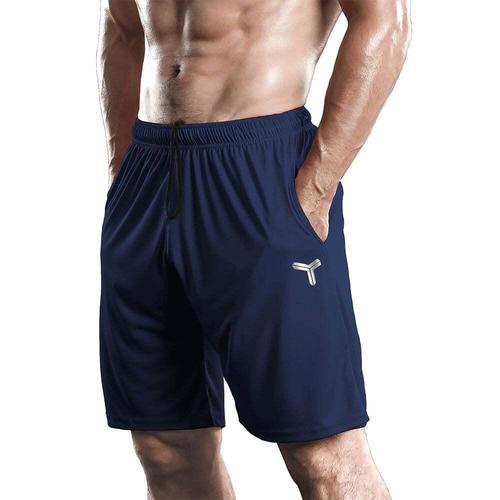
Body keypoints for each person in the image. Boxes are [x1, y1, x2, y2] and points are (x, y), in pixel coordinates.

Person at [97, 0, 410, 498]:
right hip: (149, 174)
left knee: (321, 448)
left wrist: (317, 188)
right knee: (166, 443)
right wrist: (122, 165)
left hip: (261, 168)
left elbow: (385, 21)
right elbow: (123, 28)